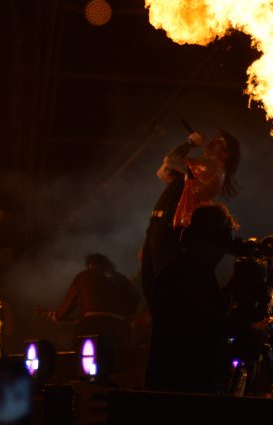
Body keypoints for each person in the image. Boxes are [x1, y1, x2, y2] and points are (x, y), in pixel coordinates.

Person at [140, 130, 240, 310]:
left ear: (224, 154)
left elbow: (171, 160)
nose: (211, 142)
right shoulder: (196, 171)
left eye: (218, 142)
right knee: (150, 281)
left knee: (159, 283)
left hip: (168, 225)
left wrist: (190, 143)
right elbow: (163, 172)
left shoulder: (211, 166)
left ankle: (168, 325)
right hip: (158, 225)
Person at [145, 203, 235, 394]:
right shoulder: (194, 269)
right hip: (186, 385)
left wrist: (232, 289)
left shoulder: (180, 266)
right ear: (214, 241)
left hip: (169, 381)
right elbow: (203, 321)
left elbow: (206, 309)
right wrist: (247, 331)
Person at [43, 253, 139, 352]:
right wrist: (125, 316)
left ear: (91, 265)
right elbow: (135, 298)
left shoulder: (82, 276)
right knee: (120, 357)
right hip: (119, 327)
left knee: (81, 356)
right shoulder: (121, 278)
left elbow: (68, 304)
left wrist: (55, 315)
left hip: (90, 325)